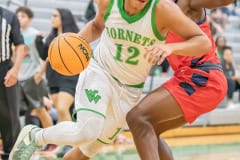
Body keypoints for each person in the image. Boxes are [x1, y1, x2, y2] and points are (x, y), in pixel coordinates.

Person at [9, 0, 212, 159]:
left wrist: (170, 48)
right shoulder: (109, 2)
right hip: (101, 72)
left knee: (87, 150)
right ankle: (34, 136)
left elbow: (202, 42)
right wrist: (75, 43)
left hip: (130, 89)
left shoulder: (164, 9)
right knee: (87, 131)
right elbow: (97, 26)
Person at [126, 0, 231, 159]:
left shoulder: (186, 3)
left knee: (137, 117)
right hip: (188, 78)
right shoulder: (157, 10)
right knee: (149, 128)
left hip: (203, 77)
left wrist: (169, 48)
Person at [35, 8, 79, 123]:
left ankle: (69, 140)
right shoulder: (51, 37)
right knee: (62, 112)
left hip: (69, 77)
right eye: (52, 16)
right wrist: (38, 41)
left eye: (55, 16)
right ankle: (64, 139)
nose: (52, 19)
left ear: (64, 18)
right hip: (53, 77)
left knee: (62, 109)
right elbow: (45, 56)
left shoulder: (74, 36)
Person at [15, 6, 53, 129]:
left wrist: (39, 75)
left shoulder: (36, 34)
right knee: (16, 112)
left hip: (33, 78)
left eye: (23, 16)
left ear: (30, 19)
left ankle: (49, 140)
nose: (20, 18)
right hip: (17, 78)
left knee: (38, 111)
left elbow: (44, 58)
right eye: (18, 16)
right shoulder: (12, 34)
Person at [0, 6, 24, 160]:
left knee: (9, 115)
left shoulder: (8, 16)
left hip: (4, 68)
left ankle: (11, 154)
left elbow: (20, 44)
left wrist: (15, 70)